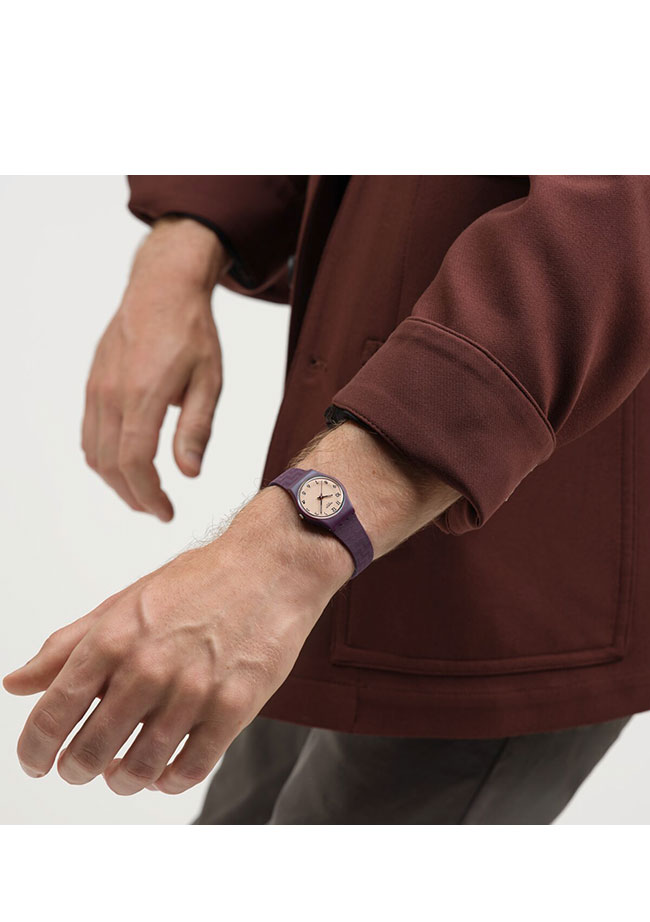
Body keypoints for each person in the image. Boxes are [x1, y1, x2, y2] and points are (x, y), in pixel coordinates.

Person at [5, 175, 650, 824]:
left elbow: (609, 222)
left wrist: (276, 559)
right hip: (339, 484)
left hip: (515, 556)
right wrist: (182, 247)